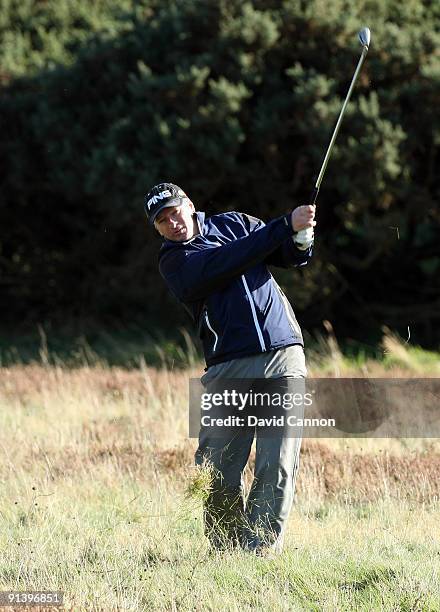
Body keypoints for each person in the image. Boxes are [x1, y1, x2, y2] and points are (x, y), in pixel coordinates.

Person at [144, 182, 315, 554]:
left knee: (277, 462)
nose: (172, 223)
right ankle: (226, 550)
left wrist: (299, 238)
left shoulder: (236, 223)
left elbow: (286, 254)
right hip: (228, 367)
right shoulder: (174, 261)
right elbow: (224, 263)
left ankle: (258, 553)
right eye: (162, 220)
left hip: (282, 354)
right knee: (217, 471)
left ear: (189, 205)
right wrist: (283, 224)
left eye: (174, 211)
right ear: (157, 229)